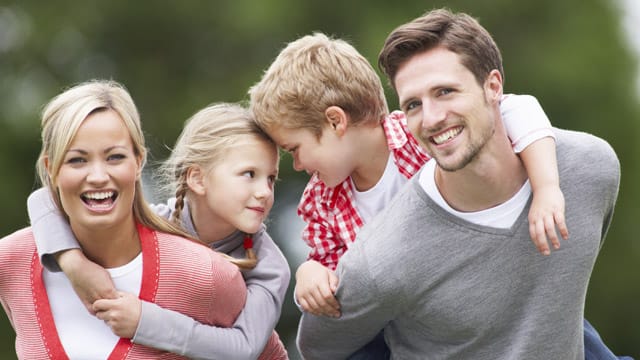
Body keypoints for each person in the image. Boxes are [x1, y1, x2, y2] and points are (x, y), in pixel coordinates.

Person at [290, 9, 622, 359]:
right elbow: (319, 346)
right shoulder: (381, 258)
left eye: (446, 92)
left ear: (493, 86)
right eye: (414, 105)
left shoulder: (590, 170)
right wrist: (310, 270)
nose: (431, 118)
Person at [0, 80, 249, 359]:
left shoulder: (205, 276)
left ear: (138, 161)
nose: (97, 176)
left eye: (115, 157)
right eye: (77, 160)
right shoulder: (11, 262)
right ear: (51, 168)